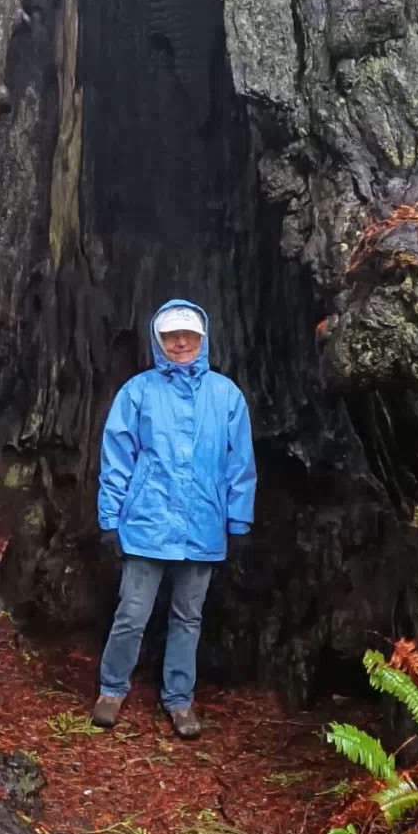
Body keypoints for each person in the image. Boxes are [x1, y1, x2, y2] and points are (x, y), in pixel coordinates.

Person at [91, 299, 256, 739]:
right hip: (147, 523)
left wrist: (238, 522)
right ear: (158, 341)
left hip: (203, 523)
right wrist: (110, 519)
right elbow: (117, 458)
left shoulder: (225, 396)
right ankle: (111, 689)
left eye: (188, 335)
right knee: (132, 612)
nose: (180, 342)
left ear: (202, 340)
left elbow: (239, 463)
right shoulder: (138, 392)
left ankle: (179, 699)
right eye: (171, 336)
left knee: (188, 617)